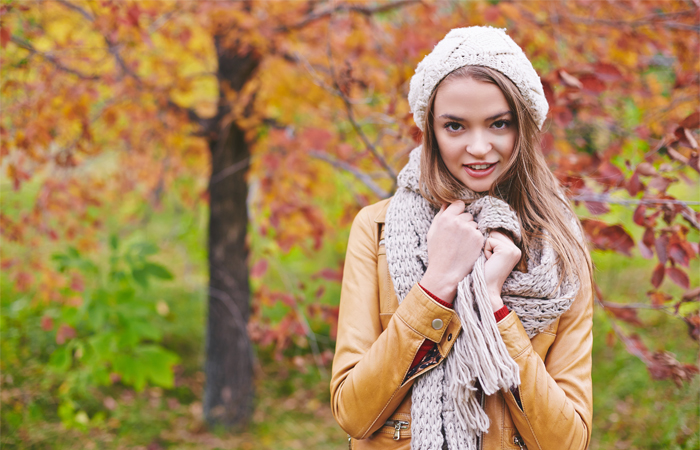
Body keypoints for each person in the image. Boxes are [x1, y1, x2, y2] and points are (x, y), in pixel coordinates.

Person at [330, 26, 594, 450]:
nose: (478, 147)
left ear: (523, 127)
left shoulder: (558, 248)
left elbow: (568, 440)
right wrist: (436, 285)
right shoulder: (376, 229)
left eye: (499, 124)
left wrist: (493, 307)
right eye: (455, 126)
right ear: (430, 129)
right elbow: (353, 412)